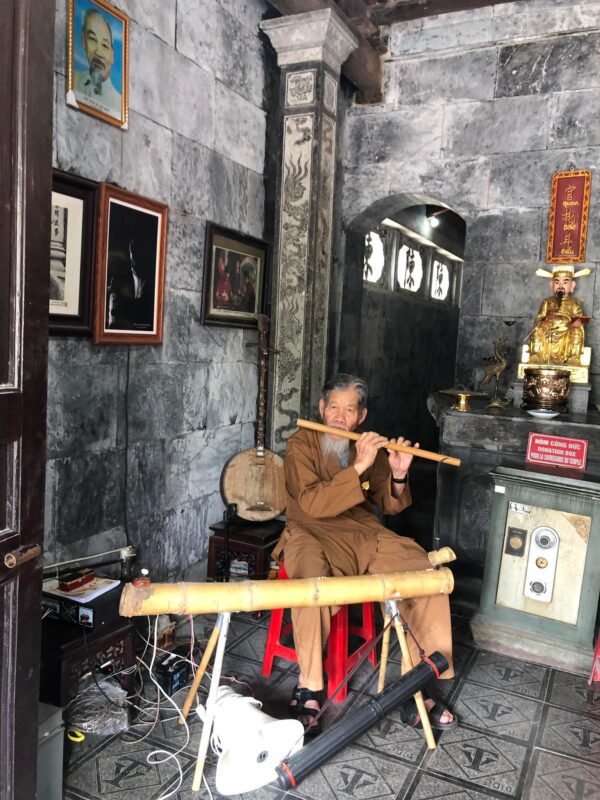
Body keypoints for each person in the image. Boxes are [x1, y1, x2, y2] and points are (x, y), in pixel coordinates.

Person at [273, 373, 456, 735]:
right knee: (311, 583)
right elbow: (311, 502)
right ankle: (309, 685)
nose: (340, 418)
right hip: (309, 532)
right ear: (322, 409)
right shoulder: (300, 445)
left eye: (350, 410)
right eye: (334, 408)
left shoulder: (366, 448)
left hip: (361, 532)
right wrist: (358, 467)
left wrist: (399, 475)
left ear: (361, 416)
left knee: (423, 571)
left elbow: (387, 504)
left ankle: (418, 680)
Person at [528, 265, 590, 365]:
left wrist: (575, 323)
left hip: (567, 329)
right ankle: (536, 355)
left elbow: (580, 318)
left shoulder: (574, 302)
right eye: (557, 282)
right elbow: (539, 318)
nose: (560, 285)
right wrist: (544, 320)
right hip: (548, 329)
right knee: (537, 329)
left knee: (576, 331)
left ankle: (573, 357)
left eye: (565, 282)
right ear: (551, 285)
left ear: (572, 285)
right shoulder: (547, 301)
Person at [73, 8, 122, 117]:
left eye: (105, 45)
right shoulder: (74, 78)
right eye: (92, 39)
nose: (98, 52)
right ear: (83, 41)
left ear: (112, 56)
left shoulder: (119, 105)